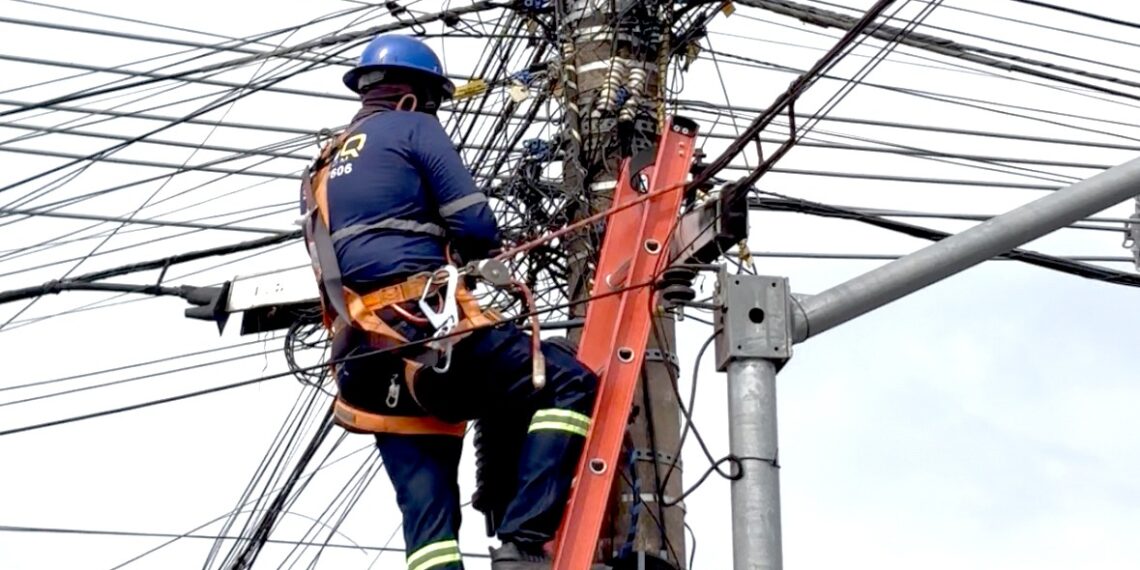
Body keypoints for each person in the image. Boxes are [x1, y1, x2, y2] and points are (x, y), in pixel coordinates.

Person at [302, 34, 599, 570]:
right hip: (428, 335)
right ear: (415, 96)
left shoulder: (320, 167)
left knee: (428, 525)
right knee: (567, 381)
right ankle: (523, 542)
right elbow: (477, 227)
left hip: (363, 362)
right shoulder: (415, 126)